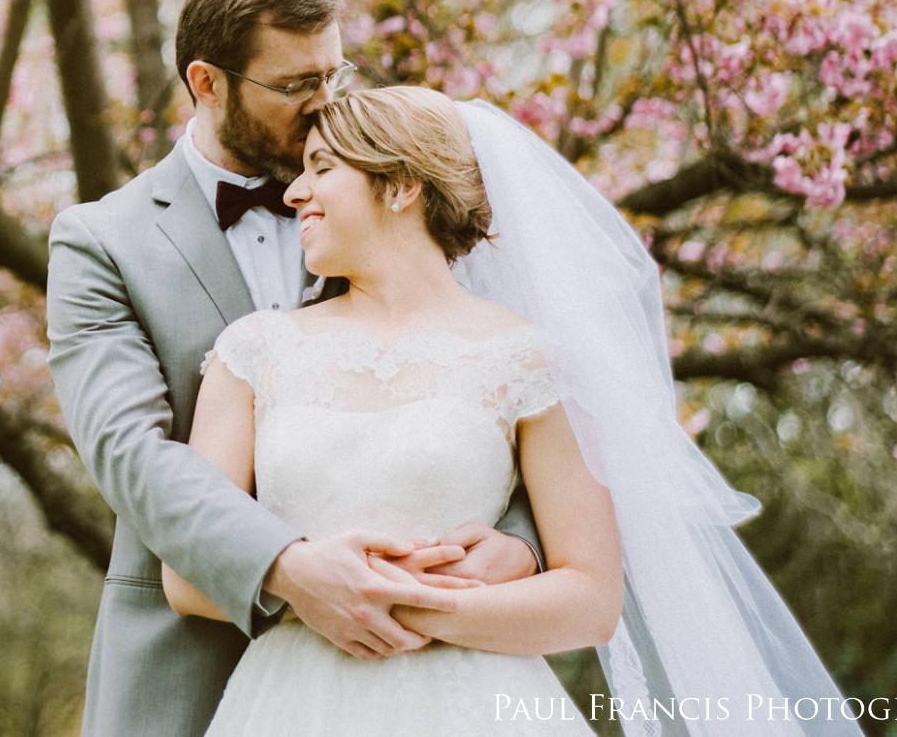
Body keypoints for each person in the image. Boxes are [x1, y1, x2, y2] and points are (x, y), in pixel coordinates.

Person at [174, 87, 860, 736]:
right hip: (293, 706)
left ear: (402, 184)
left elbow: (591, 600)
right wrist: (312, 590)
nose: (294, 191)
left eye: (321, 167)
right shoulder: (253, 352)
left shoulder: (528, 360)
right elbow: (186, 576)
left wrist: (411, 606)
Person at [46, 0, 544, 737]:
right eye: (294, 86)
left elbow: (489, 392)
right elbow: (130, 455)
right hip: (189, 657)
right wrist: (285, 566)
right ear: (207, 84)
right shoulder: (102, 242)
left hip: (434, 653)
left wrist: (520, 546)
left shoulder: (388, 199)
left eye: (333, 76)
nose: (323, 106)